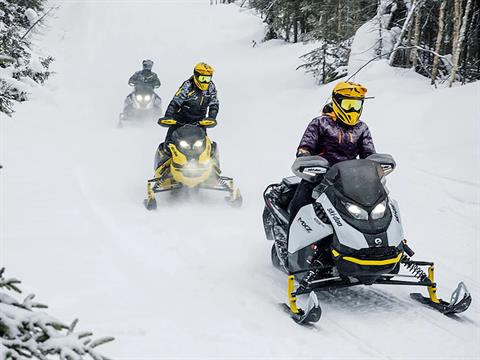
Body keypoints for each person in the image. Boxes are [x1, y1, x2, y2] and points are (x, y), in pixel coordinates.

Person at [289, 81, 376, 222]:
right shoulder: (320, 123)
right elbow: (306, 146)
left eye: (356, 105)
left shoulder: (361, 128)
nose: (353, 110)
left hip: (350, 180)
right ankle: (291, 237)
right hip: (320, 177)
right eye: (349, 105)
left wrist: (376, 166)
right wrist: (305, 156)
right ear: (337, 102)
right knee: (301, 205)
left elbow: (369, 154)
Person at [154, 62, 219, 174]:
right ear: (196, 76)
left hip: (200, 123)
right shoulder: (188, 86)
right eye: (203, 78)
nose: (205, 82)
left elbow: (214, 104)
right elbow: (175, 101)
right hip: (180, 121)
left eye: (207, 79)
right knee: (169, 145)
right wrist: (169, 116)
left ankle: (213, 170)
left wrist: (211, 118)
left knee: (207, 147)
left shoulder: (211, 87)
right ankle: (163, 169)